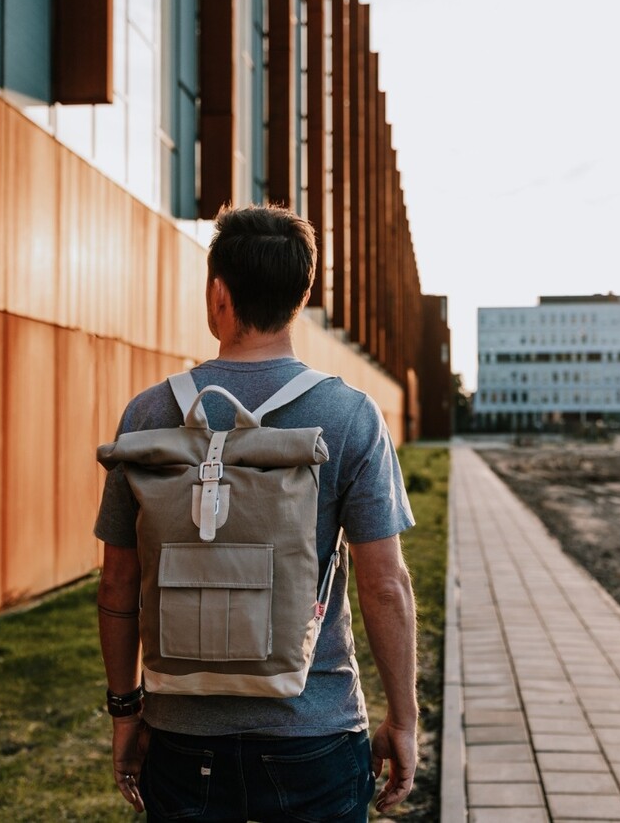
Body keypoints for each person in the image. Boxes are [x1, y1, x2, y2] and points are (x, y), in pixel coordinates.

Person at [94, 204, 419, 821]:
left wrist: (126, 711)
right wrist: (402, 720)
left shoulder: (149, 416)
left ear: (218, 292)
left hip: (182, 736)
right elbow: (385, 584)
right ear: (302, 295)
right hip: (314, 733)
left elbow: (118, 582)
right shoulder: (350, 416)